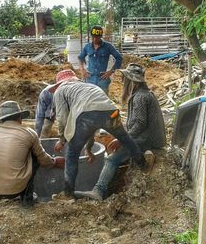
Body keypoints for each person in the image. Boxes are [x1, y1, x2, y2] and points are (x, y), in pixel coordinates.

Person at [75, 64, 166, 200]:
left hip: (146, 140)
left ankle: (98, 191)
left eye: (125, 79)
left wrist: (122, 139)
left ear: (131, 80)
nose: (123, 82)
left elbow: (140, 123)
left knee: (111, 159)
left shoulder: (140, 97)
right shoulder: (146, 94)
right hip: (151, 137)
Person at [50, 69, 145, 199]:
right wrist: (88, 148)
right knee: (125, 138)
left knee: (71, 154)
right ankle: (143, 165)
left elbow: (62, 118)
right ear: (74, 79)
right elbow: (93, 123)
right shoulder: (89, 86)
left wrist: (62, 139)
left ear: (59, 84)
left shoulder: (60, 91)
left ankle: (68, 193)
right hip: (110, 112)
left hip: (86, 116)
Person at [0, 101, 65, 208]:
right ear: (20, 117)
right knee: (34, 155)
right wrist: (55, 162)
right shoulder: (28, 133)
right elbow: (43, 159)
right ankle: (27, 199)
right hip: (14, 190)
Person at [78, 25, 122, 94]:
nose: (95, 39)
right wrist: (82, 69)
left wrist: (111, 71)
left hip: (103, 80)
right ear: (91, 36)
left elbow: (119, 58)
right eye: (93, 37)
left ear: (101, 36)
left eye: (97, 37)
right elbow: (80, 57)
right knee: (90, 100)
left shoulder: (108, 46)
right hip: (90, 79)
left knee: (103, 101)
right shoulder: (87, 47)